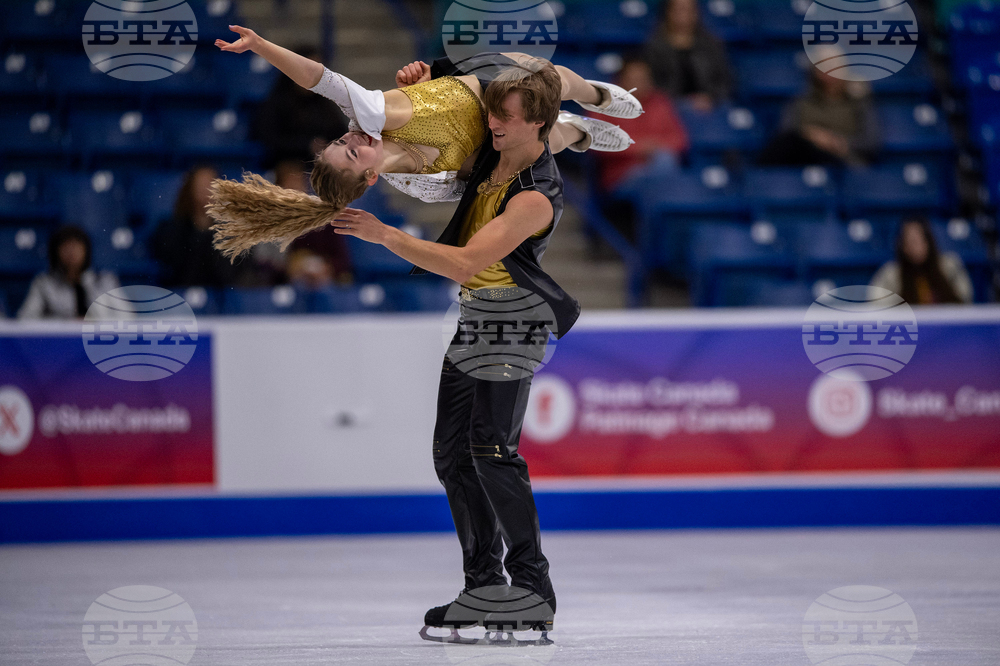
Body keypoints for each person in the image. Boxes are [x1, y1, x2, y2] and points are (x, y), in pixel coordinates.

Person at [331, 56, 573, 642]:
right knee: (451, 454)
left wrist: (385, 234)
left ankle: (533, 590)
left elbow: (467, 261)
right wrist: (430, 75)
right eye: (494, 115)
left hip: (513, 321)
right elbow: (472, 90)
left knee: (492, 450)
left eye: (507, 119)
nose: (494, 125)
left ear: (537, 124)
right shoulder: (491, 153)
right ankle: (485, 586)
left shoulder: (534, 196)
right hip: (478, 318)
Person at [208, 25, 641, 258]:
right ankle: (580, 132)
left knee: (549, 77)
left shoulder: (371, 114)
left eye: (343, 139)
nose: (354, 135)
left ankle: (597, 95)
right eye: (354, 151)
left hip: (483, 86)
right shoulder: (421, 185)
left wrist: (263, 46)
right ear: (372, 176)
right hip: (494, 135)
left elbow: (318, 79)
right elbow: (476, 184)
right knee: (548, 139)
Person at [759, 50, 880, 167]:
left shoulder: (859, 103)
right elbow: (785, 133)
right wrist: (810, 135)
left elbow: (870, 141)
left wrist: (835, 142)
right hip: (805, 154)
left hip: (843, 159)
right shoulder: (801, 101)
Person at [250, 44, 350, 168]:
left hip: (322, 166)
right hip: (286, 164)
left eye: (319, 71)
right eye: (308, 70)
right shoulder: (277, 101)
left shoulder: (325, 103)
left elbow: (342, 133)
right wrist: (306, 146)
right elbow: (269, 140)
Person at [151, 165, 249, 288]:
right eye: (201, 185)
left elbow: (230, 276)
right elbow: (173, 270)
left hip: (222, 299)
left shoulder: (233, 234)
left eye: (211, 185)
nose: (205, 190)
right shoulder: (171, 230)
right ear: (190, 188)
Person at [643, 0, 733, 111]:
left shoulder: (711, 44)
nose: (685, 14)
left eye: (690, 10)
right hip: (669, 108)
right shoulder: (655, 47)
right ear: (668, 12)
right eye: (680, 9)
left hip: (709, 108)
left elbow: (724, 80)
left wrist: (711, 97)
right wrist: (682, 101)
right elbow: (653, 84)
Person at [17, 225, 119, 319]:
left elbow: (127, 317)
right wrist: (65, 324)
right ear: (56, 251)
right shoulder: (44, 284)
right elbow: (26, 319)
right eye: (66, 247)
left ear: (86, 250)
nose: (72, 252)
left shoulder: (105, 281)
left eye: (76, 246)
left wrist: (94, 321)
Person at [871, 216, 973, 304]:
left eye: (918, 240)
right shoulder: (891, 274)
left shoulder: (950, 267)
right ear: (901, 245)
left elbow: (965, 301)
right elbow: (877, 306)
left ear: (929, 241)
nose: (914, 246)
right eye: (909, 241)